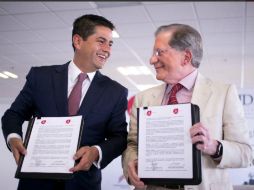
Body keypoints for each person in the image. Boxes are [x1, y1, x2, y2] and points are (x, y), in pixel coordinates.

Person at [1, 14, 128, 190]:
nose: (107, 49)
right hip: (35, 183)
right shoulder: (40, 77)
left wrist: (96, 152)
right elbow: (13, 114)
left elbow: (120, 137)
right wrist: (14, 139)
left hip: (83, 184)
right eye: (101, 41)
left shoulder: (116, 92)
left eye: (110, 43)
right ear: (78, 41)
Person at [122, 23, 252, 190]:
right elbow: (132, 145)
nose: (152, 59)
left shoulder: (224, 93)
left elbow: (246, 154)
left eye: (159, 52)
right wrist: (131, 166)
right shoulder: (143, 98)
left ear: (186, 57)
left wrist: (213, 146)